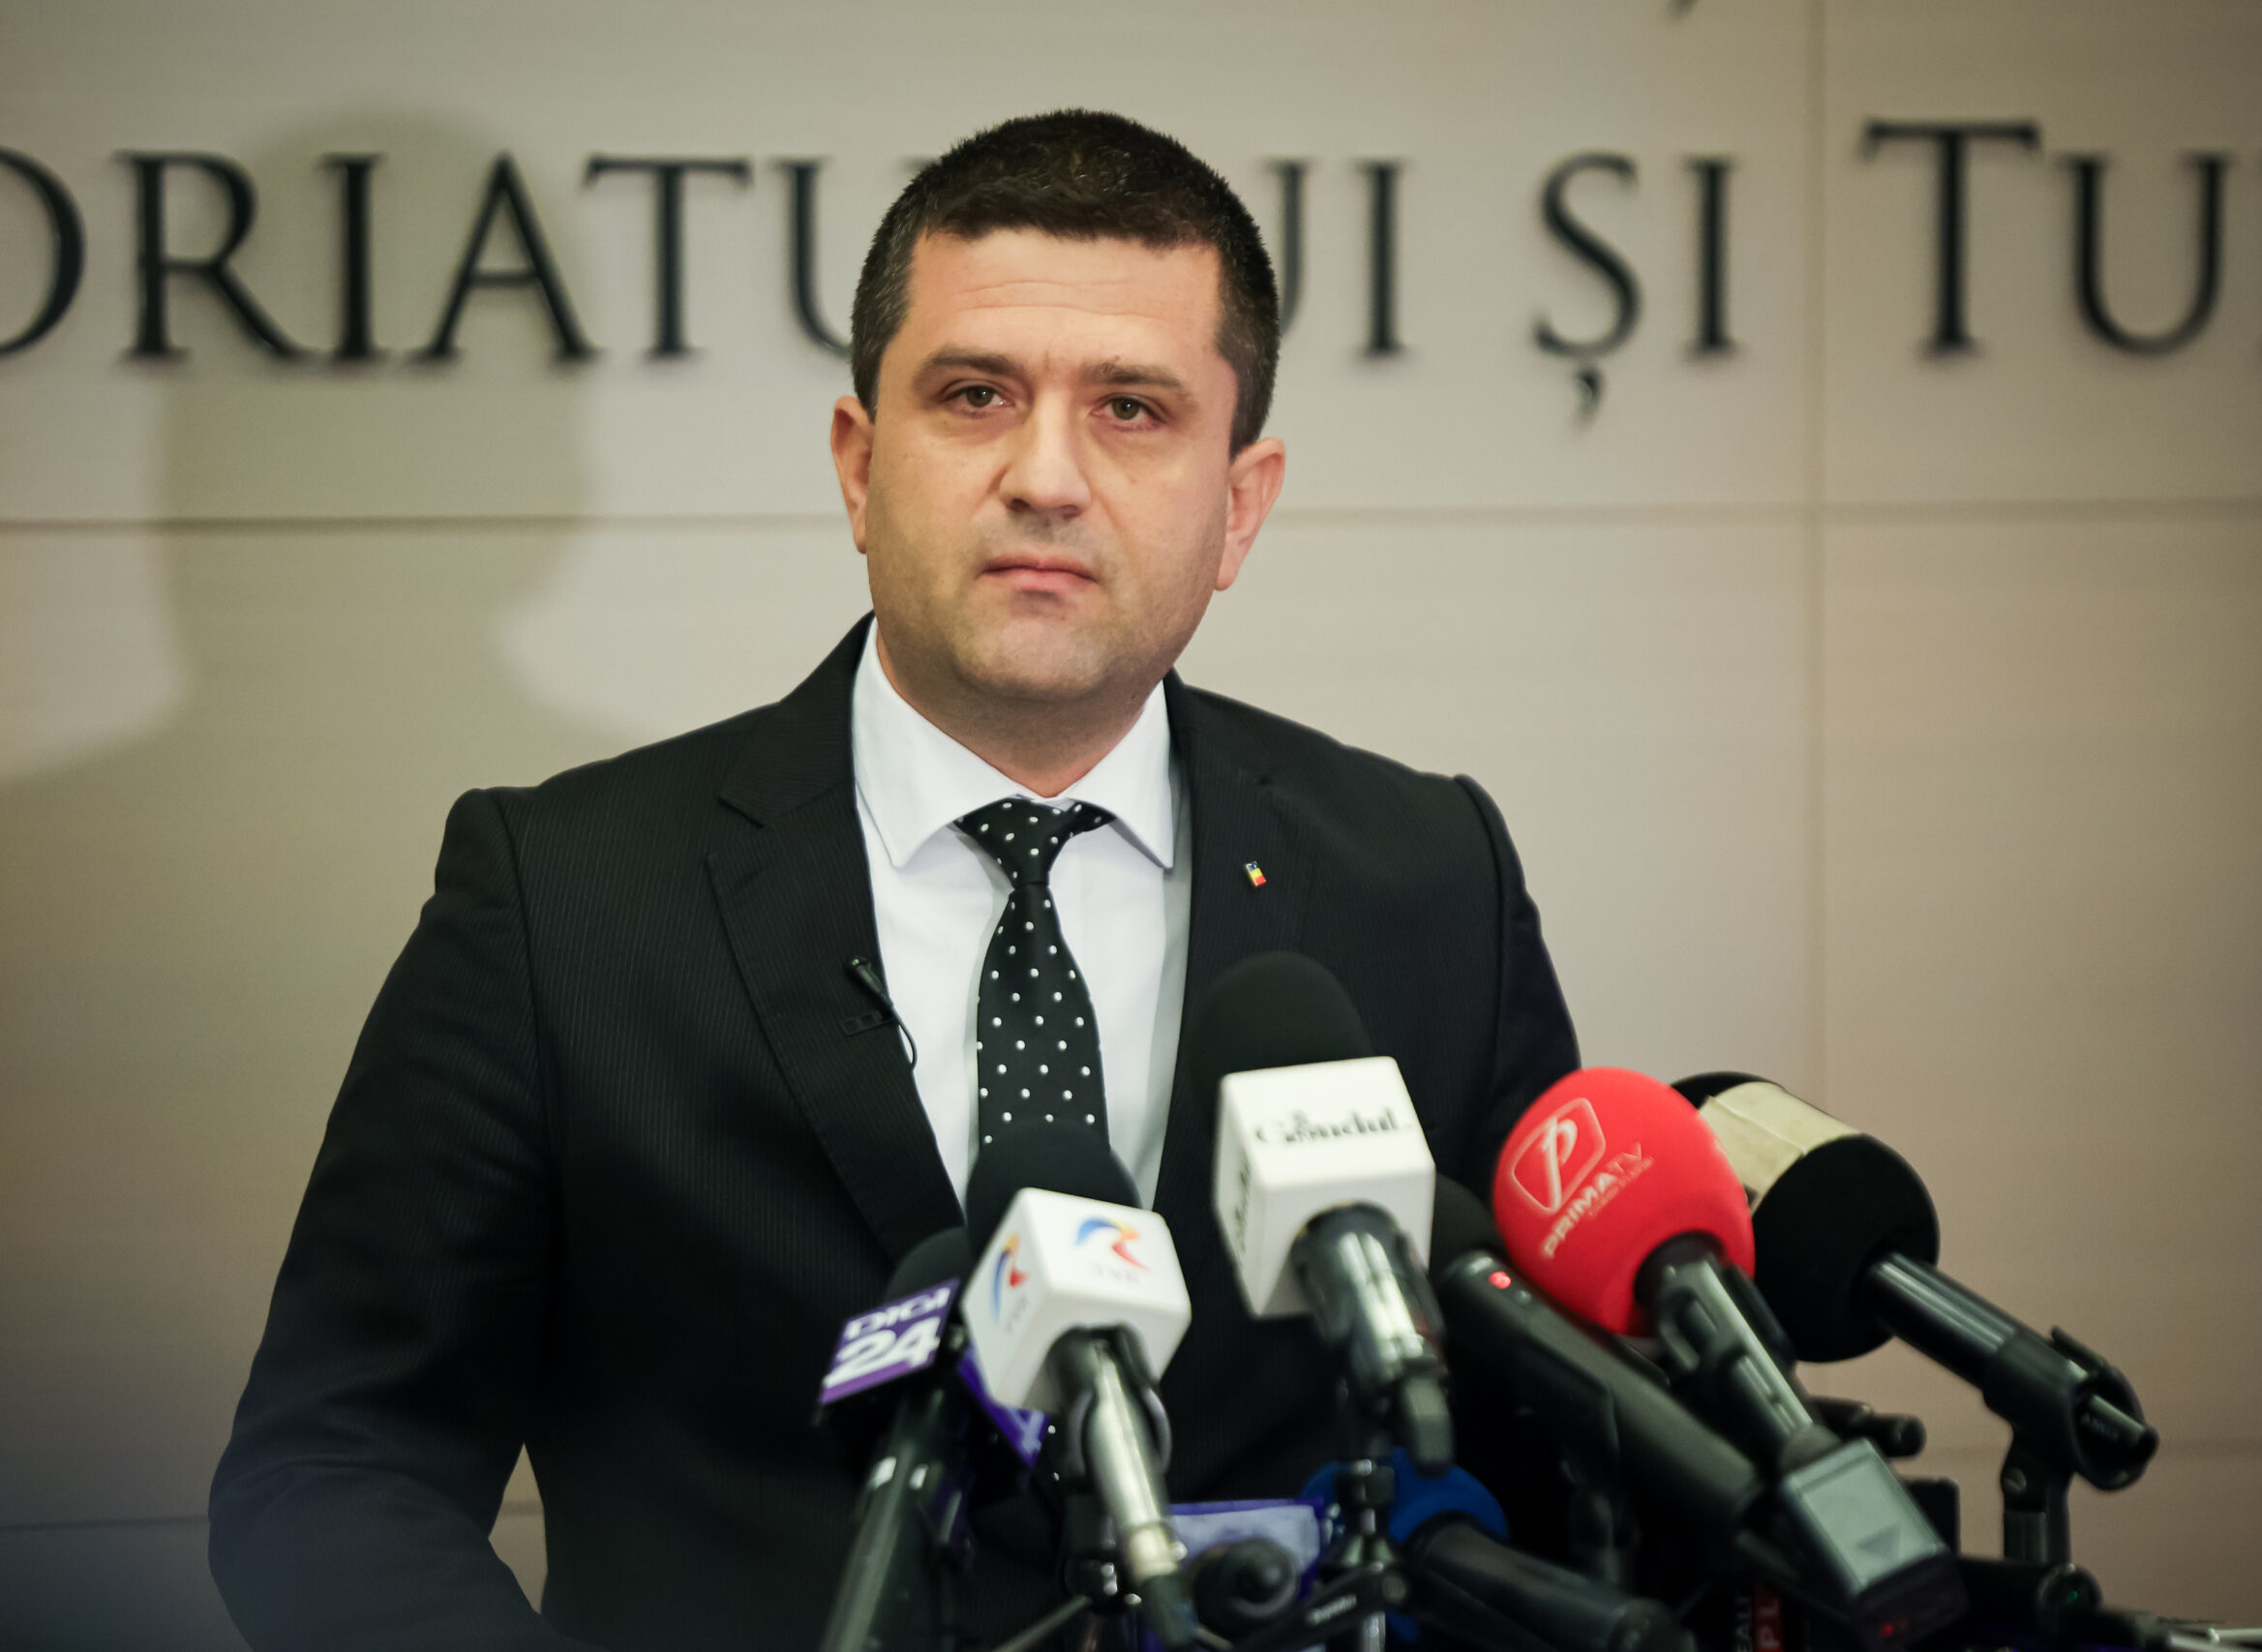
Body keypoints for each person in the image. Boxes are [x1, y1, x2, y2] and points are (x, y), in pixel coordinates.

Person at [209, 109, 1579, 1652]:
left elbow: (1553, 1462)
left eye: (1132, 409)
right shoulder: (564, 902)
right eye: (976, 396)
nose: (1046, 478)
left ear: (1238, 504)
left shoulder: (1429, 880)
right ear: (861, 468)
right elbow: (337, 1470)